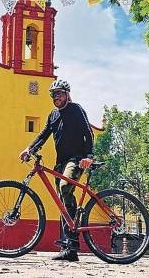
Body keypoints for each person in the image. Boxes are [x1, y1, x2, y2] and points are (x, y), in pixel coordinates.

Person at [19, 79, 94, 262]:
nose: (56, 97)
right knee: (62, 201)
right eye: (53, 95)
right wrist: (29, 149)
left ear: (67, 94)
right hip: (60, 162)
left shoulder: (76, 109)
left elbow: (89, 133)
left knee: (64, 187)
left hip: (76, 159)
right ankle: (69, 248)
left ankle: (72, 243)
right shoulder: (53, 115)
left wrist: (89, 156)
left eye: (59, 94)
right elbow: (43, 135)